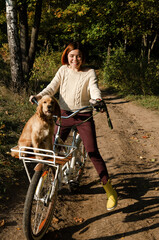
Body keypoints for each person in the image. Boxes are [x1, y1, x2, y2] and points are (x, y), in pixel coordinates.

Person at [29, 42, 117, 211]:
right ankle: (51, 177)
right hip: (63, 115)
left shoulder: (89, 72)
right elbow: (52, 87)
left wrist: (96, 100)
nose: (74, 59)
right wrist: (39, 96)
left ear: (82, 57)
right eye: (71, 56)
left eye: (78, 56)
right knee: (53, 148)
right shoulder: (63, 70)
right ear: (66, 57)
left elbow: (94, 89)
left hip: (83, 116)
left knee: (92, 152)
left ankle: (110, 190)